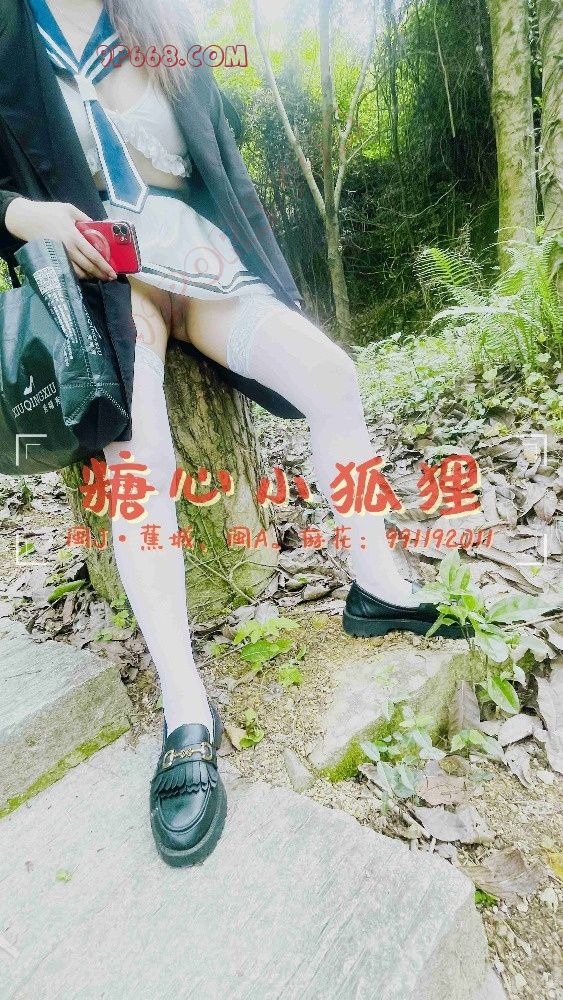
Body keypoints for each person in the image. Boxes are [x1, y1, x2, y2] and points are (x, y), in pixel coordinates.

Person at [0, 0, 461, 867]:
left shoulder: (158, 24)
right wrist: (31, 216)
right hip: (101, 285)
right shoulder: (10, 32)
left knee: (332, 377)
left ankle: (377, 588)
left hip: (201, 263)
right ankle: (185, 708)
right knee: (137, 455)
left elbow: (219, 156)